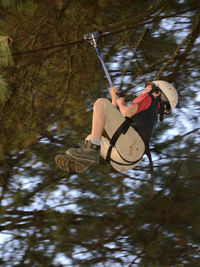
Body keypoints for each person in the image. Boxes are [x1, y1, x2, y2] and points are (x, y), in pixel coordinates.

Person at [55, 80, 178, 173]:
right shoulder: (151, 115)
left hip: (131, 145)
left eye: (148, 87)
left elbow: (126, 113)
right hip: (127, 161)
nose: (144, 89)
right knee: (91, 137)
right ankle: (83, 161)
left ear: (157, 92)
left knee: (100, 102)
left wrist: (121, 103)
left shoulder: (149, 98)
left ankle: (91, 152)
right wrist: (114, 97)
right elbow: (113, 121)